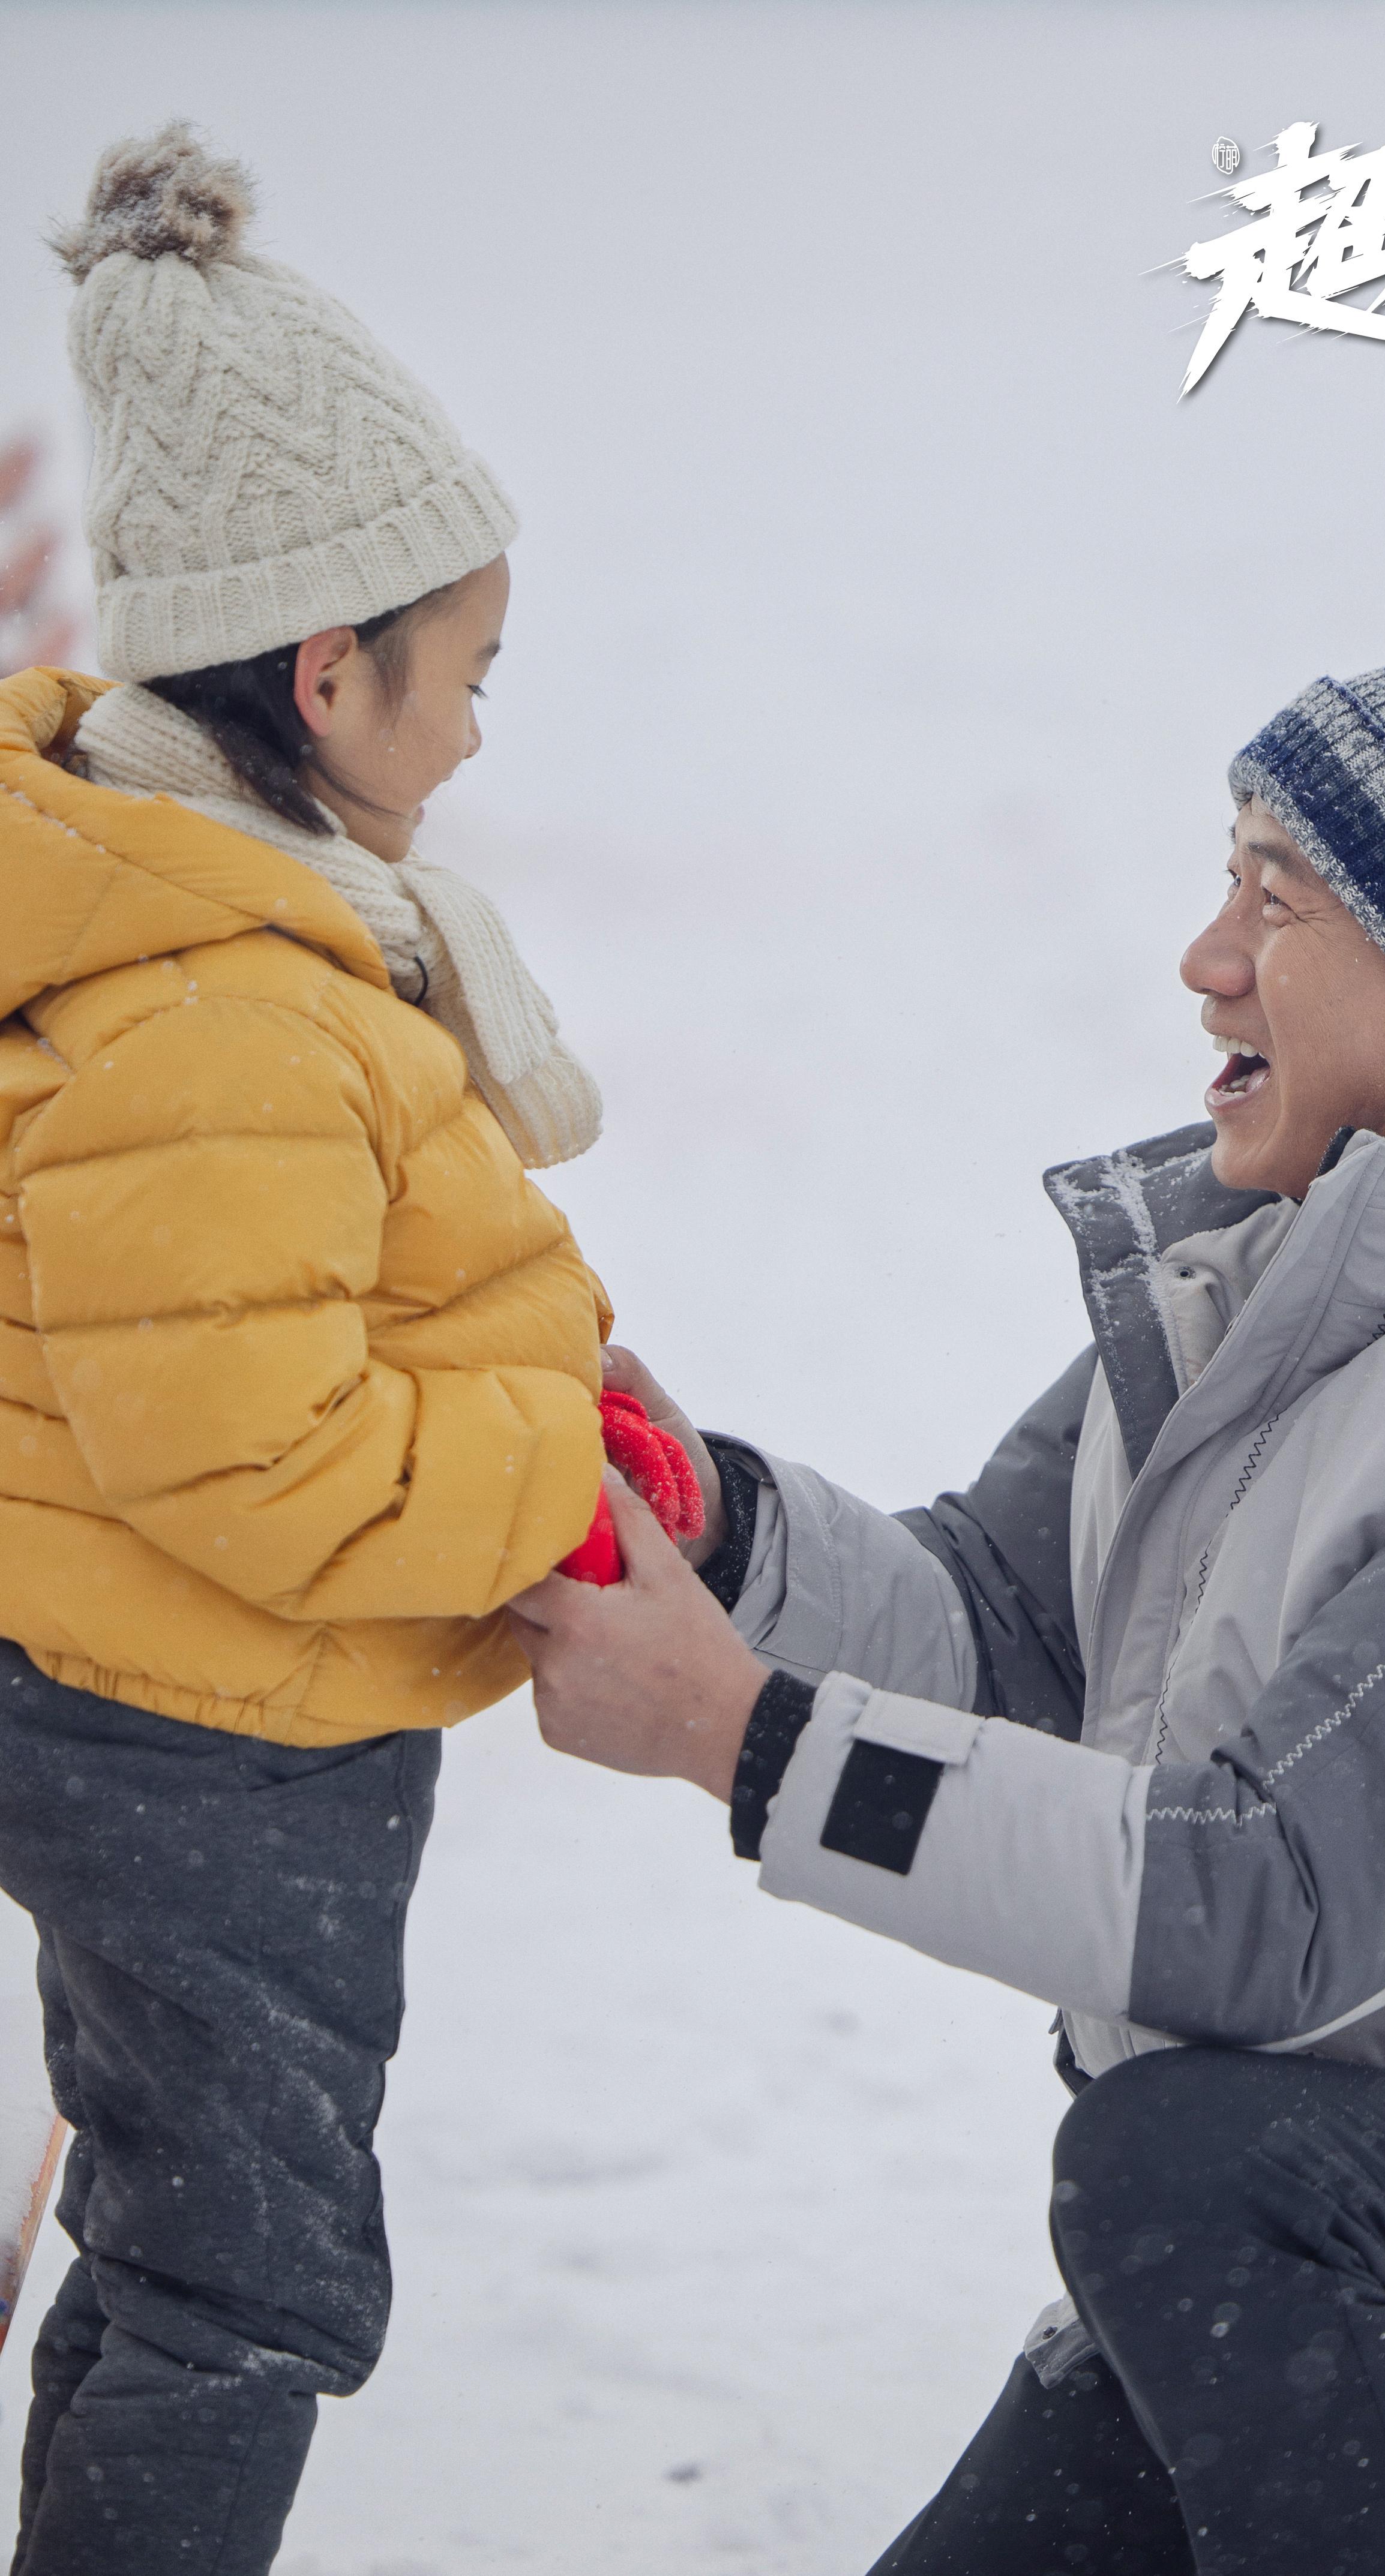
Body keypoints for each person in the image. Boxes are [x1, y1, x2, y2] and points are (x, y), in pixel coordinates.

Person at [514, 653, 1385, 2575]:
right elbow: (1005, 1639)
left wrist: (739, 1738)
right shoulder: (1290, 1265)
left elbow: (1264, 1903)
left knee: (1183, 2164)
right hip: (1314, 2269)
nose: (1203, 959)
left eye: (1274, 899)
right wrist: (710, 1526)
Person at [0, 127, 614, 2571]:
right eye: (458, 678)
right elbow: (245, 1448)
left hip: (183, 1703)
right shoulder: (218, 1006)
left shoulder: (222, 920)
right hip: (211, 1723)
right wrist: (556, 1475)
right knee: (239, 2279)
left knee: (177, 2249)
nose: (472, 736)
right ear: (327, 667)